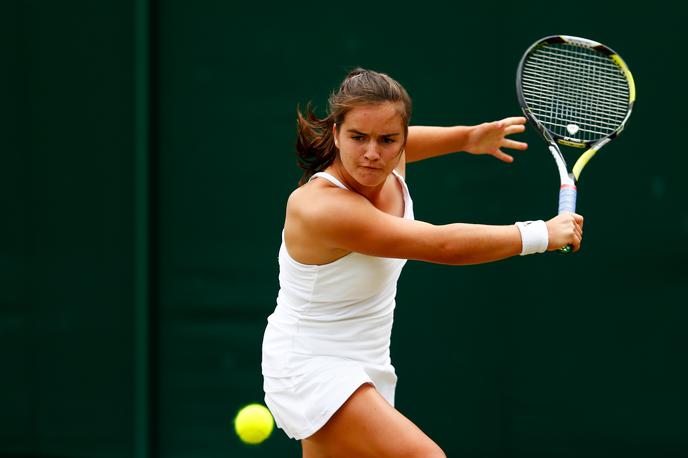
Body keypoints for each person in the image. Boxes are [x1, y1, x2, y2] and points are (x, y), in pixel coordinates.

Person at [261, 68, 583, 457]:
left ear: (401, 141)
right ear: (335, 135)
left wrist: (467, 138)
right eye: (358, 137)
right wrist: (541, 234)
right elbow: (443, 245)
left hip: (367, 360)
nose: (372, 153)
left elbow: (406, 143)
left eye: (387, 140)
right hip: (310, 366)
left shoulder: (387, 161)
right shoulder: (321, 208)